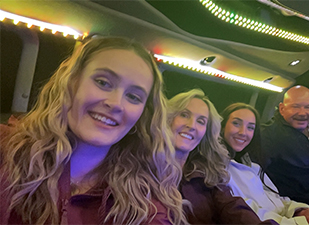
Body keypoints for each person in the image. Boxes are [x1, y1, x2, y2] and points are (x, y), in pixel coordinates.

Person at [0, 37, 185, 224]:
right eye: (103, 83)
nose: (115, 104)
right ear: (72, 83)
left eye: (133, 96)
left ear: (142, 115)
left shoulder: (147, 207)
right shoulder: (7, 150)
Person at [221, 102, 309, 225]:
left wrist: (301, 211)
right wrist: (298, 221)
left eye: (250, 127)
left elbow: (276, 198)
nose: (243, 132)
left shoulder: (252, 166)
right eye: (236, 123)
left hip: (290, 215)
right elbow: (245, 212)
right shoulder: (218, 169)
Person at [167, 89, 269, 224]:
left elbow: (233, 208)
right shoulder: (141, 169)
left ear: (206, 132)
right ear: (168, 118)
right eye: (184, 115)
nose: (191, 125)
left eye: (201, 121)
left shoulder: (207, 173)